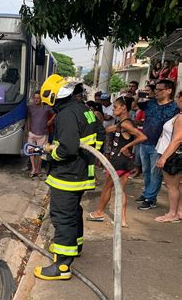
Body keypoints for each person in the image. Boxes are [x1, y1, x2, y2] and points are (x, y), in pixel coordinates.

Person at [33, 74, 105, 281]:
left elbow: (67, 148)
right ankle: (75, 245)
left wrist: (49, 153)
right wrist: (88, 156)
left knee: (62, 216)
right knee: (74, 211)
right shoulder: (85, 110)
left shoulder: (66, 114)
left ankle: (62, 266)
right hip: (81, 173)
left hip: (67, 175)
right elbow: (99, 135)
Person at [87, 97, 147, 227]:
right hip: (125, 161)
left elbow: (142, 137)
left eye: (115, 107)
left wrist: (126, 147)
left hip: (118, 161)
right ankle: (123, 220)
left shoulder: (126, 124)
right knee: (120, 191)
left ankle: (99, 212)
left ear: (123, 107)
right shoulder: (123, 122)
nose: (113, 110)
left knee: (107, 188)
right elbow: (107, 130)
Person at [135, 79, 178, 210]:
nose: (156, 92)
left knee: (155, 173)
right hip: (144, 142)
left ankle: (151, 198)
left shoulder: (175, 108)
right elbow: (136, 105)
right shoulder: (151, 103)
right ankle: (147, 193)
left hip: (159, 146)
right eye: (156, 89)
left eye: (160, 90)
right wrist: (140, 95)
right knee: (146, 171)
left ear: (169, 90)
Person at [154, 91, 182, 222]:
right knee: (178, 186)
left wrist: (164, 157)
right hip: (175, 154)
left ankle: (173, 213)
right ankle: (179, 211)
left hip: (173, 155)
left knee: (172, 186)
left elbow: (177, 140)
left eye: (178, 97)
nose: (176, 100)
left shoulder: (181, 118)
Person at [27, 90, 54, 178]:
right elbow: (28, 118)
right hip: (32, 133)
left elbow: (56, 113)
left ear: (41, 99)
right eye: (35, 98)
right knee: (31, 151)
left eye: (38, 98)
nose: (36, 100)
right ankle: (33, 169)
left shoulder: (46, 108)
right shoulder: (30, 107)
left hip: (43, 134)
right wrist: (28, 129)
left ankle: (38, 170)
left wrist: (50, 121)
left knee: (40, 153)